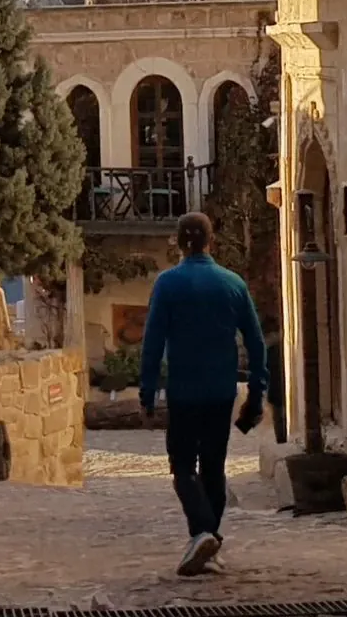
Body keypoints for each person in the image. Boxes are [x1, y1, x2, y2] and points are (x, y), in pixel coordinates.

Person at [139, 211, 267, 576]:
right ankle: (208, 540)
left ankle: (203, 533)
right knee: (213, 467)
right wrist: (256, 393)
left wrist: (147, 394)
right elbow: (256, 344)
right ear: (213, 242)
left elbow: (152, 343)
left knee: (182, 466)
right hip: (220, 392)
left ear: (179, 244)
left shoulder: (167, 284)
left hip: (183, 392)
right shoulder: (232, 284)